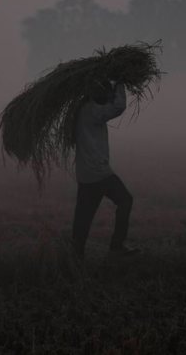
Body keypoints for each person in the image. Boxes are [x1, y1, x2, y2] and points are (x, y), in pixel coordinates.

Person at [71, 78, 140, 259]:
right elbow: (118, 106)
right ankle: (116, 247)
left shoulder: (84, 109)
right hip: (98, 174)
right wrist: (120, 84)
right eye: (107, 94)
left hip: (86, 173)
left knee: (83, 218)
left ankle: (75, 258)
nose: (109, 97)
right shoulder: (92, 110)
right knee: (125, 200)